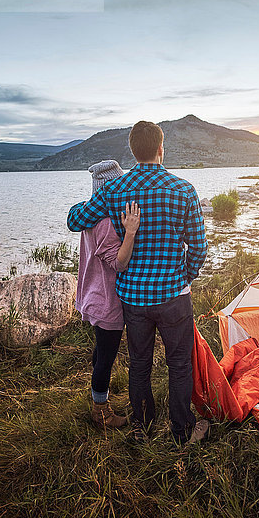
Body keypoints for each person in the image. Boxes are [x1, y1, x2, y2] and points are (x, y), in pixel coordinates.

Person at [67, 121, 208, 444]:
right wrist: (183, 278)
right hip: (174, 295)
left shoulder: (114, 191)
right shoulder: (183, 189)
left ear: (132, 151)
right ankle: (182, 431)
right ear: (161, 149)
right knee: (179, 364)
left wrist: (83, 204)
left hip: (133, 299)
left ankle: (142, 429)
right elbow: (199, 247)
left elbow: (75, 220)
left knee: (140, 364)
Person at [75, 160, 140, 428]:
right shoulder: (104, 223)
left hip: (92, 296)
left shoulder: (90, 216)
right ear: (110, 189)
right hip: (106, 302)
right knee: (105, 359)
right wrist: (131, 232)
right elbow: (119, 263)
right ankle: (100, 412)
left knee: (101, 351)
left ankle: (98, 395)